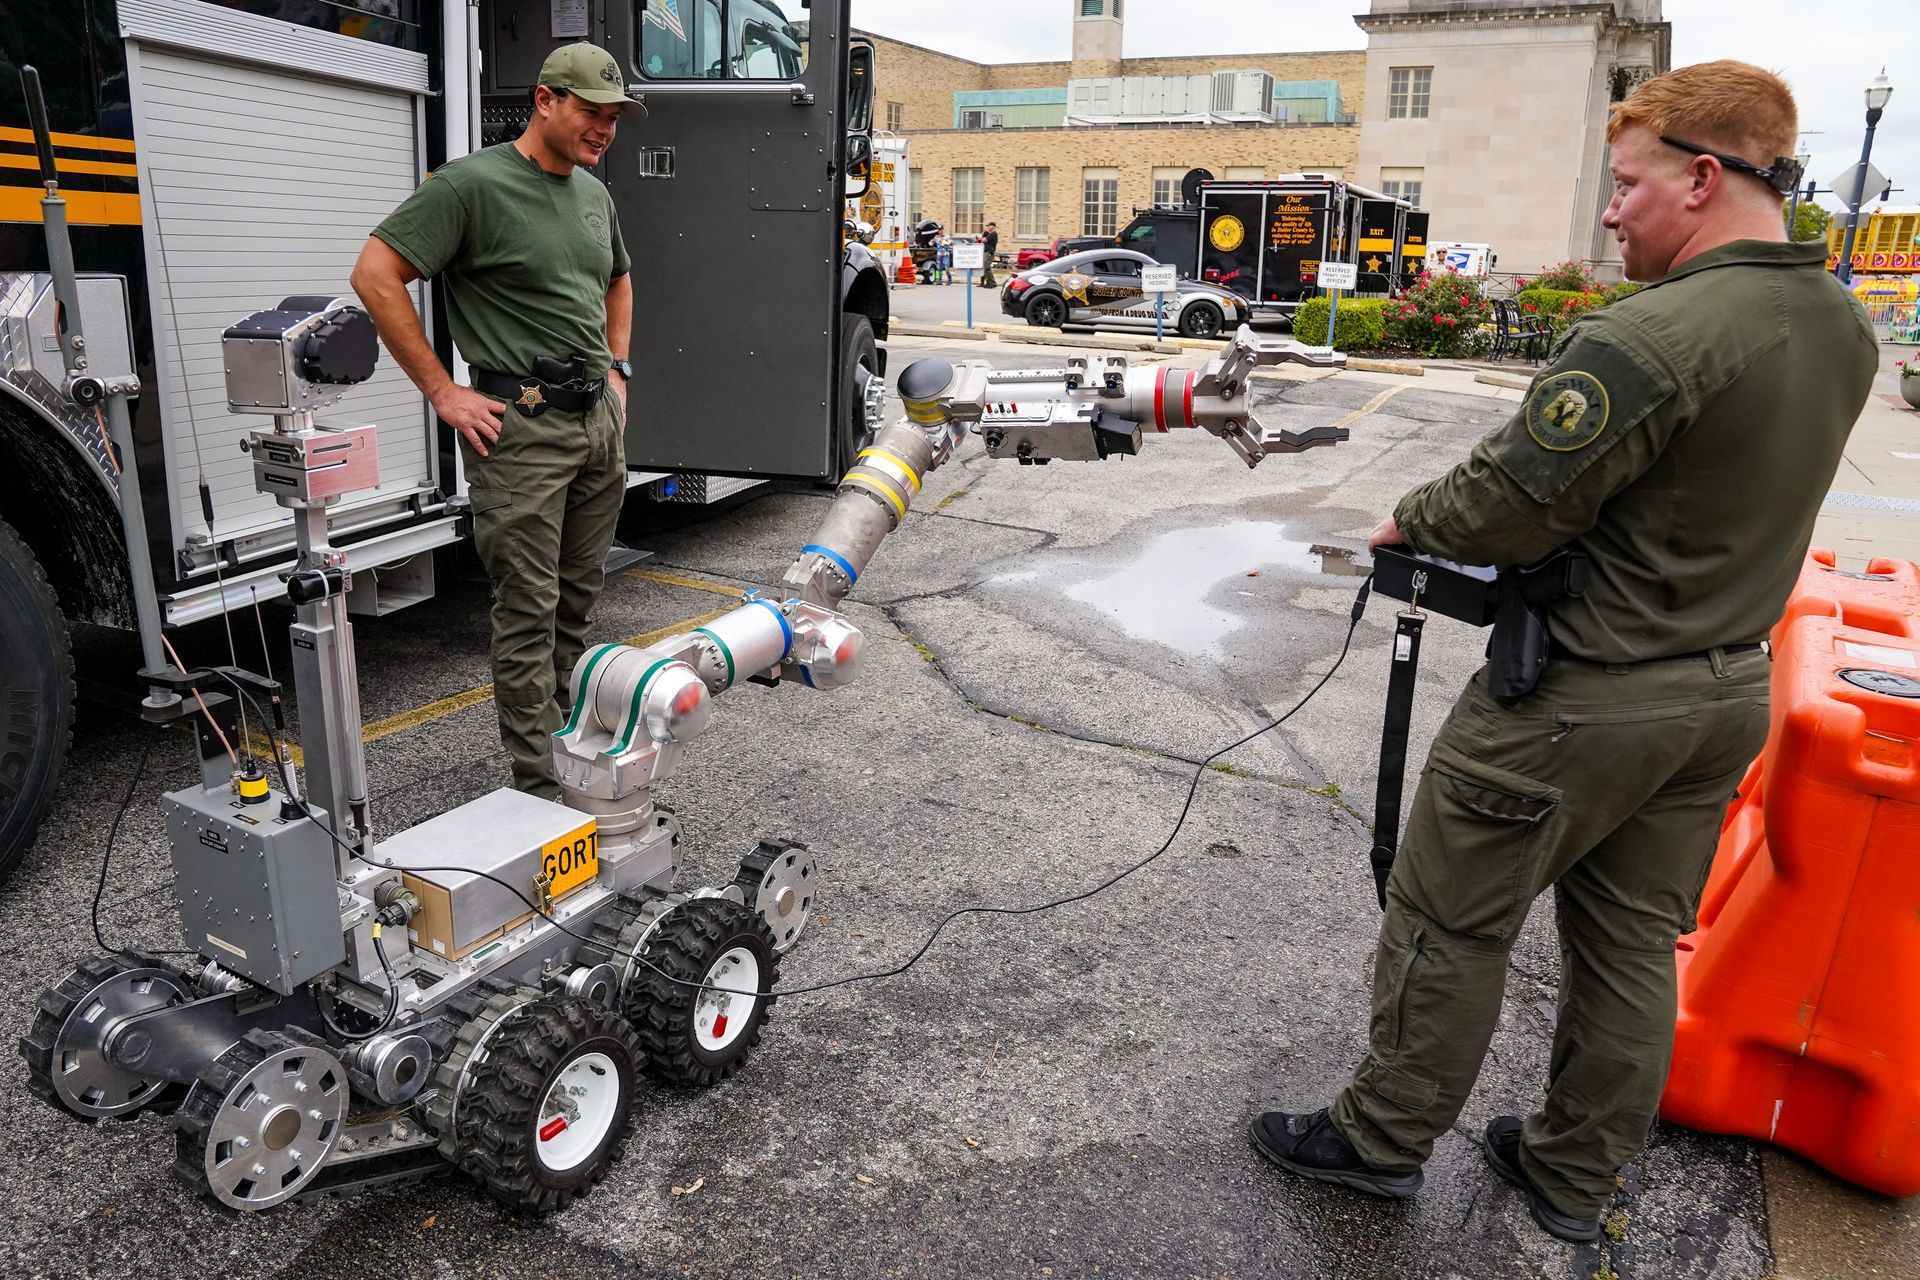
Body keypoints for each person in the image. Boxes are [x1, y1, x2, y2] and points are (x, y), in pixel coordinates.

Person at [1248, 60, 1877, 1243]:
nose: (1610, 208)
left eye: (1627, 182)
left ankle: (1379, 1139)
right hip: (1725, 686)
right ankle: (1572, 1171)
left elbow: (1510, 500)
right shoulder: (1840, 325)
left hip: (1584, 696)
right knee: (1633, 941)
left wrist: (1412, 518)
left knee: (1450, 915)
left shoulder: (1653, 331)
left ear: (1702, 179)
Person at [350, 42, 644, 799]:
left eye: (614, 116)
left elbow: (617, 280)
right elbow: (375, 274)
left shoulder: (591, 195)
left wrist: (617, 369)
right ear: (545, 100)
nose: (604, 128)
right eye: (591, 111)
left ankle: (565, 740)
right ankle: (541, 788)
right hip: (522, 425)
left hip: (594, 423)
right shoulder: (470, 186)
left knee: (575, 601)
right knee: (528, 608)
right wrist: (443, 390)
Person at [979, 221, 999, 287]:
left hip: (989, 253)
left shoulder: (993, 234)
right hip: (987, 252)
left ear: (993, 226)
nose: (988, 227)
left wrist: (982, 238)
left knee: (987, 268)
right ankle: (988, 282)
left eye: (989, 226)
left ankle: (992, 283)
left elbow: (984, 240)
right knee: (986, 268)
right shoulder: (990, 234)